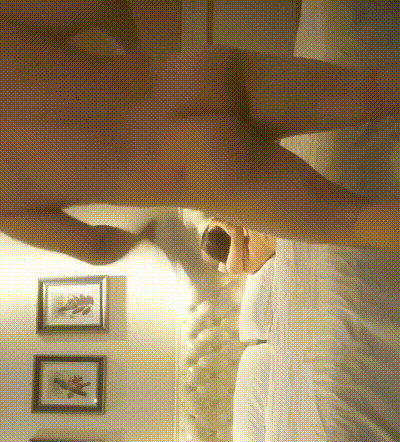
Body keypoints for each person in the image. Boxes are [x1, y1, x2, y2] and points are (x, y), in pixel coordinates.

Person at [0, 0, 399, 265]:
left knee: (355, 222)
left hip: (198, 170)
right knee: (372, 90)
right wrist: (131, 55)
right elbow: (99, 6)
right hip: (197, 80)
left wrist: (144, 235)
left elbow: (95, 248)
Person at [200, 219, 276, 275]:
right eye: (221, 228)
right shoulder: (231, 267)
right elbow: (235, 230)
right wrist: (215, 221)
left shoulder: (242, 239)